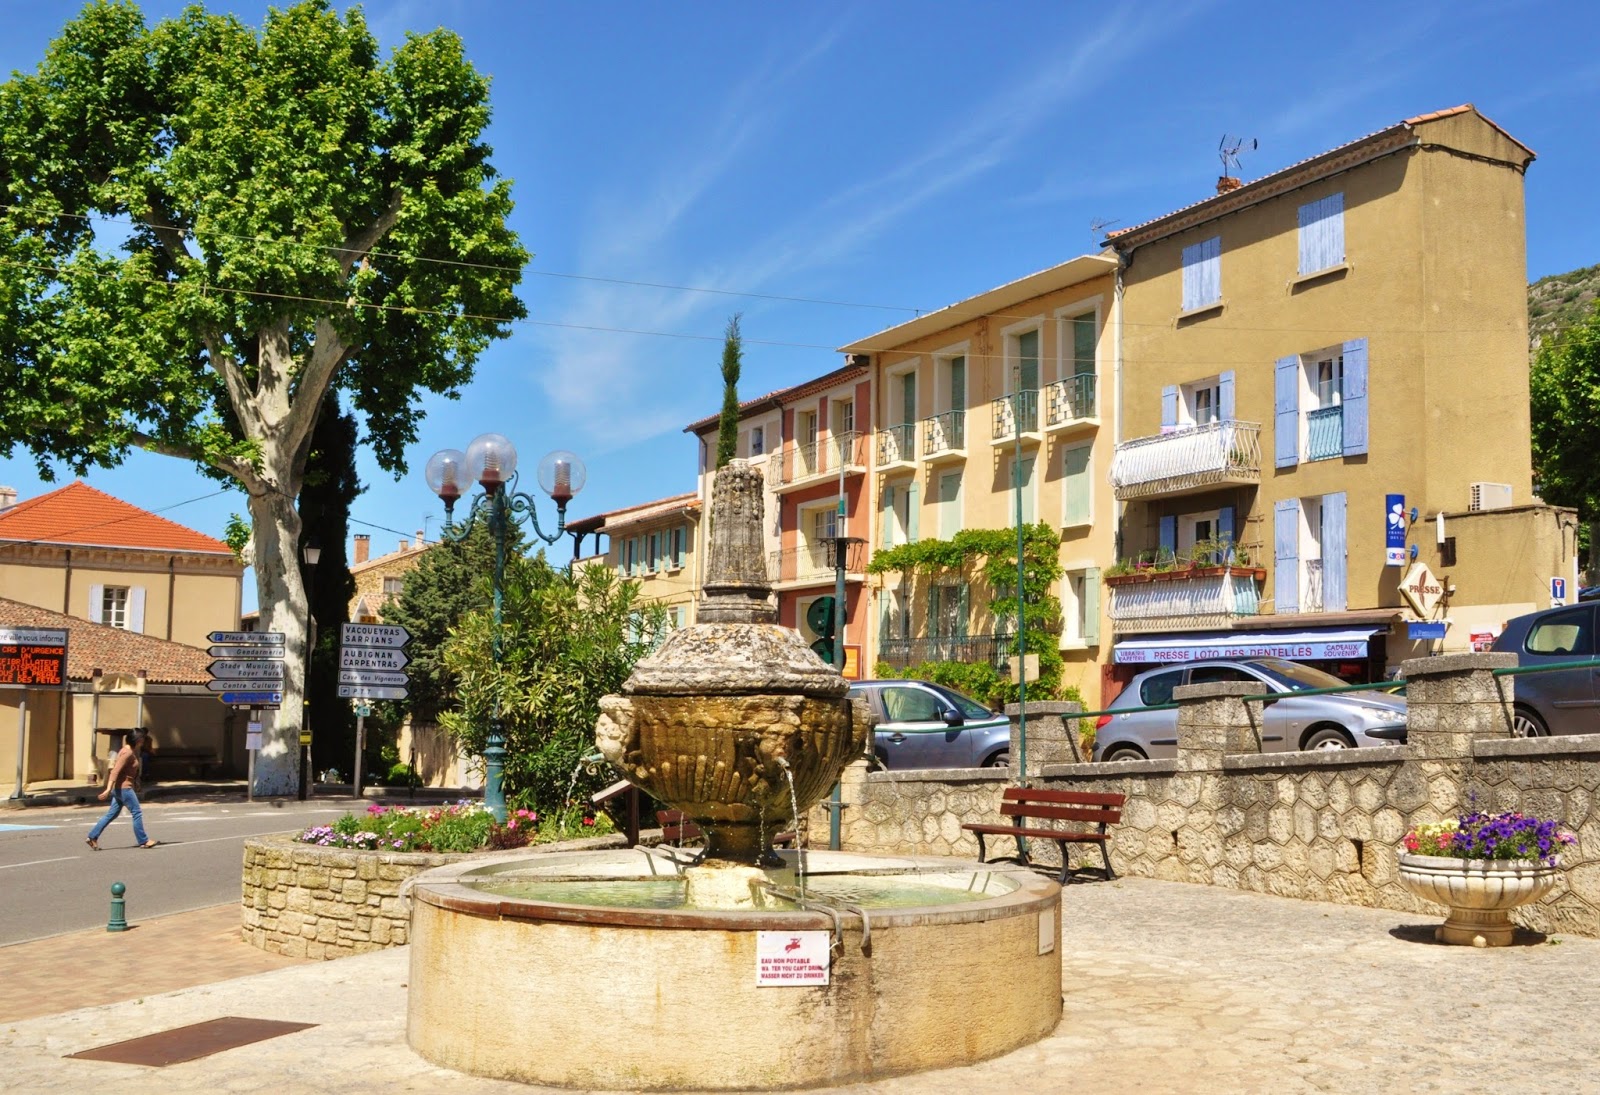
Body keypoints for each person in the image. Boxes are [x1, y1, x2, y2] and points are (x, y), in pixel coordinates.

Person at [86, 729, 158, 849]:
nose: (143, 742)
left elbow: (126, 771)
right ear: (138, 740)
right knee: (137, 813)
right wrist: (108, 789)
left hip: (120, 788)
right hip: (125, 789)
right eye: (142, 740)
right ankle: (143, 840)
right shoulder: (128, 753)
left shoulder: (126, 750)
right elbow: (115, 771)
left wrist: (136, 782)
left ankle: (92, 836)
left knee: (111, 814)